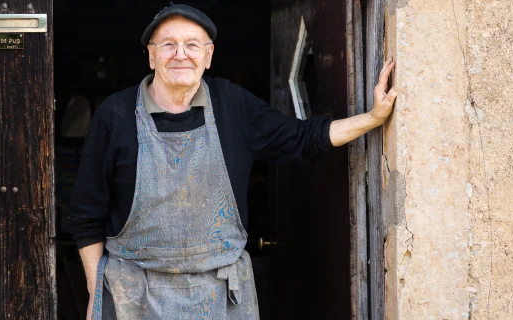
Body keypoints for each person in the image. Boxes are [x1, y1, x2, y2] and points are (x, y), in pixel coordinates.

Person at [68, 4, 398, 319]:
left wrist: (372, 117)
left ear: (208, 56)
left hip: (220, 298)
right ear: (151, 56)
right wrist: (97, 295)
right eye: (168, 44)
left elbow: (303, 138)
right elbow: (86, 216)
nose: (180, 54)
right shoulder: (115, 114)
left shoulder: (232, 105)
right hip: (133, 298)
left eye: (192, 45)